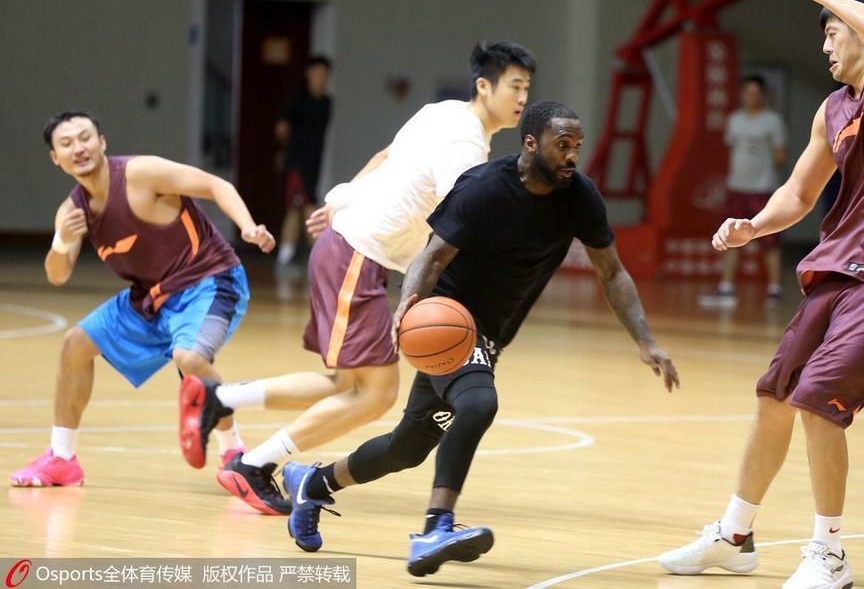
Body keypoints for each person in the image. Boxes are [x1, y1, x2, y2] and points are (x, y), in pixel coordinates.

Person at [281, 100, 681, 577]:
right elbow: (430, 258)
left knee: (408, 446)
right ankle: (436, 527)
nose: (572, 155)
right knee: (478, 404)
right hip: (446, 322)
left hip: (488, 334)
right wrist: (409, 307)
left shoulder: (580, 197)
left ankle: (314, 483)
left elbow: (612, 272)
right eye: (562, 145)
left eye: (577, 146)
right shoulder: (484, 188)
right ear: (531, 144)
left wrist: (645, 339)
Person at [657, 0, 864, 589]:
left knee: (819, 402)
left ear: (862, 34)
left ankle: (830, 555)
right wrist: (753, 226)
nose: (824, 45)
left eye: (831, 33)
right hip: (841, 272)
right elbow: (796, 193)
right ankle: (736, 535)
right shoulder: (832, 111)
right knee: (775, 395)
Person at [178, 41, 536, 515]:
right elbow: (459, 229)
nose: (522, 99)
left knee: (348, 387)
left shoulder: (442, 112)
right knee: (375, 394)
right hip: (358, 255)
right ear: (484, 85)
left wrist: (343, 197)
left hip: (354, 252)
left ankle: (221, 400)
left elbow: (385, 156)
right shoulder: (464, 146)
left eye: (527, 89)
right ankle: (253, 463)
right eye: (515, 86)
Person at [9, 111, 275, 488]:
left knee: (190, 358)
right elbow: (57, 275)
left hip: (208, 281)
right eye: (66, 144)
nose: (78, 148)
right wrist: (61, 240)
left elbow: (216, 185)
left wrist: (247, 226)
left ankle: (234, 453)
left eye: (85, 137)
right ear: (56, 157)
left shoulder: (141, 173)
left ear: (102, 142)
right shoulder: (71, 211)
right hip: (150, 298)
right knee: (75, 344)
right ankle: (62, 459)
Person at [699, 75, 786, 307]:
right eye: (748, 93)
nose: (752, 97)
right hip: (737, 187)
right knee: (730, 236)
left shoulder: (772, 121)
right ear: (742, 94)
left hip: (762, 189)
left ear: (763, 95)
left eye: (756, 93)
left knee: (769, 238)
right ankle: (726, 287)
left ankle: (774, 288)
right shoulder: (734, 120)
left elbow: (780, 155)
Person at [275, 55, 333, 267]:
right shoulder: (297, 101)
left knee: (302, 208)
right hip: (297, 164)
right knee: (304, 208)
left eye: (324, 75)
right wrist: (286, 153)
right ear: (308, 74)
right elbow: (281, 129)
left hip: (313, 165)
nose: (320, 78)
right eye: (317, 73)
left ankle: (302, 257)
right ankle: (315, 259)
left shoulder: (326, 103)